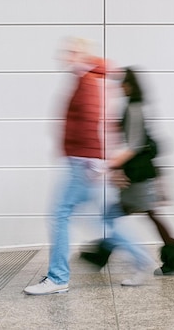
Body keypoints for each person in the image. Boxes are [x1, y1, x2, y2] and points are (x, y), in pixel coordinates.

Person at [23, 39, 153, 295]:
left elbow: (93, 121)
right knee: (100, 222)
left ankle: (58, 277)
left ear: (83, 54)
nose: (66, 55)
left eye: (73, 51)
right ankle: (140, 256)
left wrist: (95, 161)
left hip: (82, 162)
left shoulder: (89, 79)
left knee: (60, 215)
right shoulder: (87, 77)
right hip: (85, 161)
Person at [80, 68, 174, 275]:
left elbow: (135, 144)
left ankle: (172, 260)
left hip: (139, 175)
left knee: (130, 214)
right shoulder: (134, 107)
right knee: (135, 214)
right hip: (139, 173)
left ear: (129, 85)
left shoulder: (134, 108)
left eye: (122, 83)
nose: (120, 86)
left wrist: (111, 166)